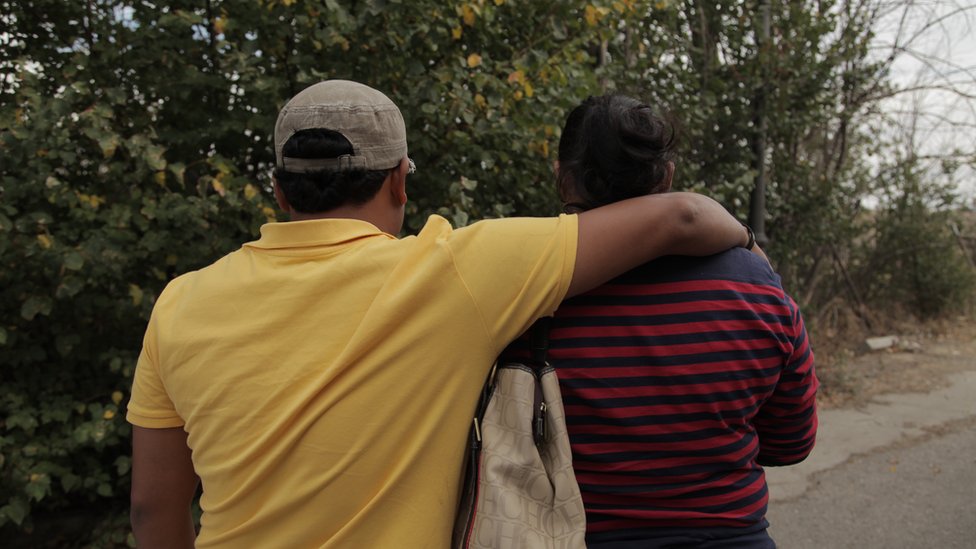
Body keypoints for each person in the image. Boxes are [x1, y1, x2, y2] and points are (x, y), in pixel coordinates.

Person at [126, 80, 759, 548]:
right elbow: (680, 216)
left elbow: (153, 513)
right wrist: (755, 255)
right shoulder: (451, 275)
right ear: (400, 180)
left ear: (279, 189)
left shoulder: (181, 302)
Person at [503, 94, 818, 548]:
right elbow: (791, 442)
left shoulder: (522, 287)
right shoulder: (759, 286)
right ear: (666, 176)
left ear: (561, 176)